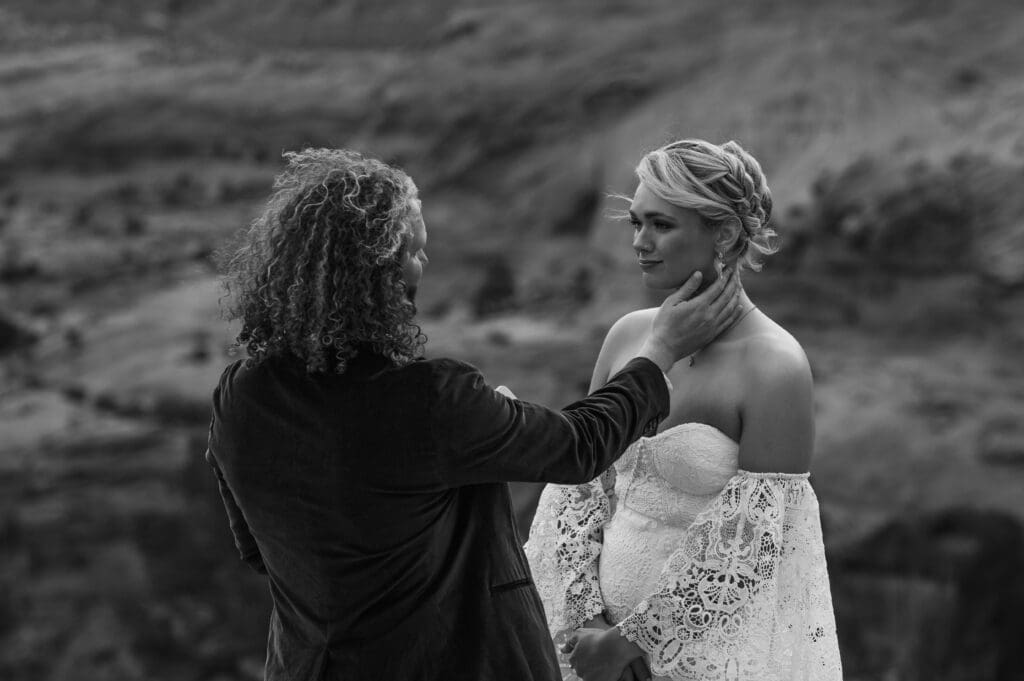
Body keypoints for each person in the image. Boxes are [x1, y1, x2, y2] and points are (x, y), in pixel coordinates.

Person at [204, 148, 745, 681]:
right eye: (414, 252)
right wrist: (658, 356)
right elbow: (580, 446)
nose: (425, 264)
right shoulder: (432, 401)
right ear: (375, 276)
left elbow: (258, 549)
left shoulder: (240, 396)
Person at [524, 139, 844, 681]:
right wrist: (588, 621)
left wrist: (630, 645)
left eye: (661, 225)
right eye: (635, 223)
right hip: (584, 650)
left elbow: (752, 549)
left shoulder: (775, 365)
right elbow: (578, 485)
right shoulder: (628, 336)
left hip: (704, 656)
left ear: (722, 233)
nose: (640, 243)